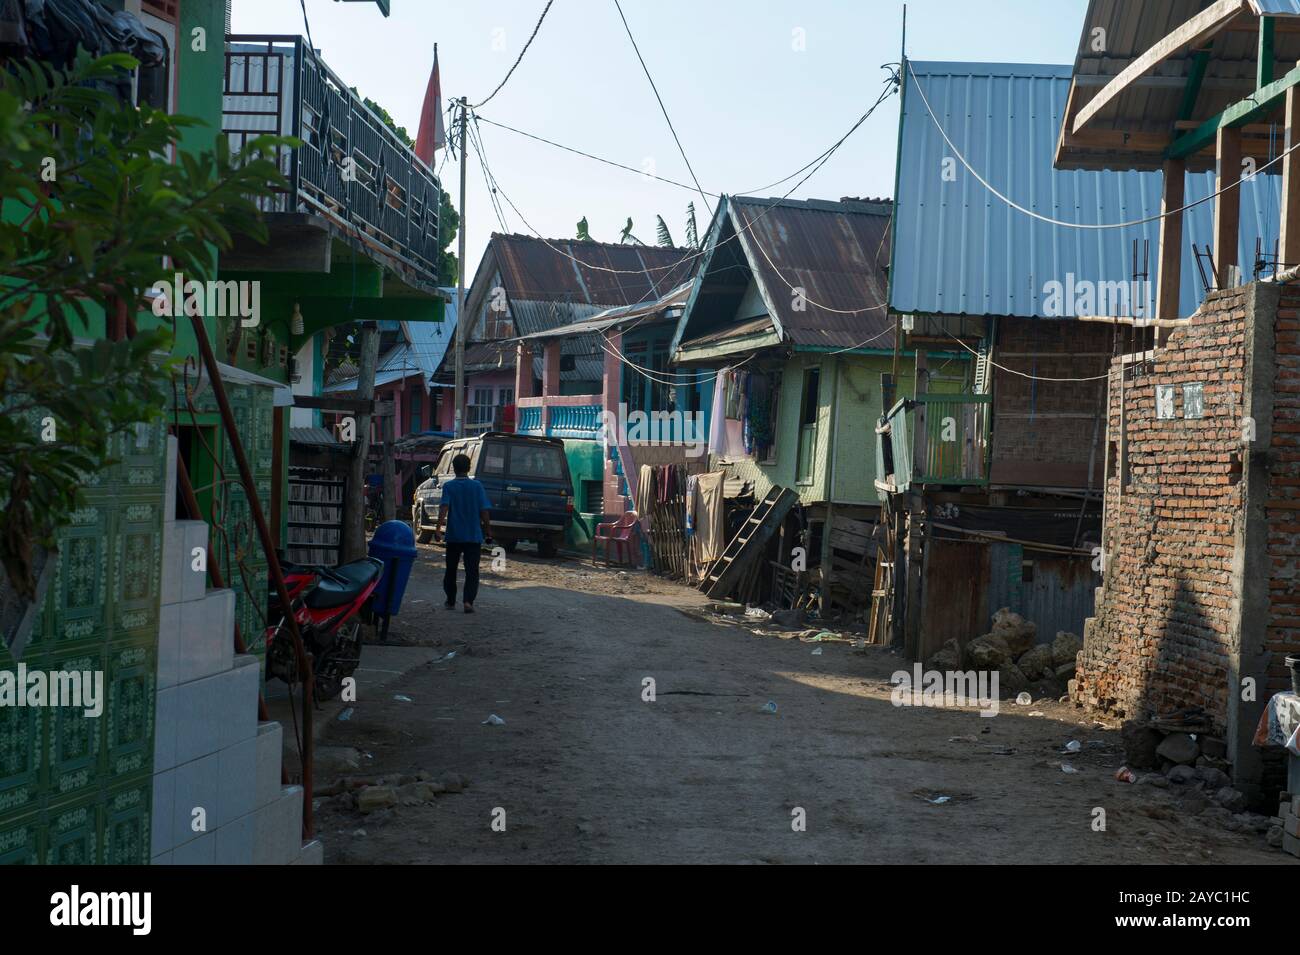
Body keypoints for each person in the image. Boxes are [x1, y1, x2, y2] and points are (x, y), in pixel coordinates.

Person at [434, 453, 492, 613]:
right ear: (468, 468)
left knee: (451, 569)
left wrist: (438, 529)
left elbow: (444, 508)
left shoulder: (449, 486)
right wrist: (488, 532)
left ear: (454, 468)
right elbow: (484, 511)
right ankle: (468, 601)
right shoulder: (477, 486)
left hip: (454, 536)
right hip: (473, 536)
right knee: (472, 570)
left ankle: (451, 601)